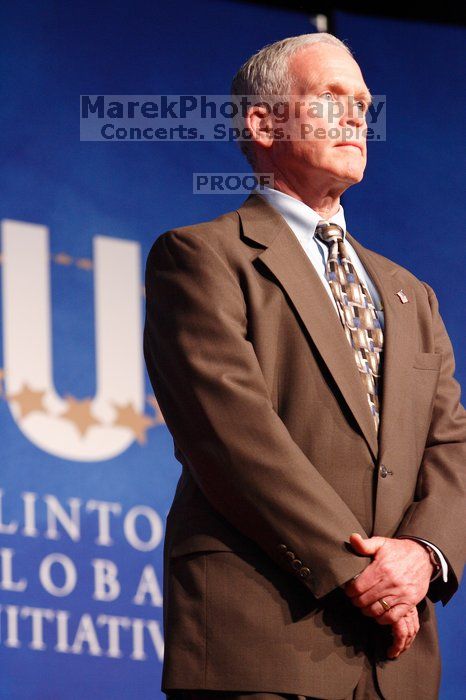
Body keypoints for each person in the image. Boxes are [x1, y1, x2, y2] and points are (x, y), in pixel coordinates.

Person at [143, 33, 465, 700]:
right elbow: (232, 437)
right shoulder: (201, 258)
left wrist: (421, 556)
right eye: (331, 98)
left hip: (396, 663)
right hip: (263, 638)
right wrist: (361, 574)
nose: (357, 117)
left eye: (364, 104)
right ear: (261, 123)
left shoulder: (410, 292)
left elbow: (451, 446)